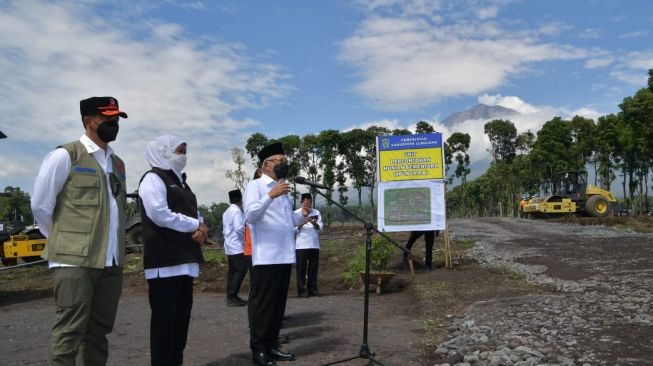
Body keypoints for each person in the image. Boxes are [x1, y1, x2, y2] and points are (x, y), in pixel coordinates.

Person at [31, 96, 128, 365]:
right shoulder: (65, 155)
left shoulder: (118, 164)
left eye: (117, 119)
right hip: (74, 262)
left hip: (110, 262)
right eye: (108, 118)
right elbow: (41, 205)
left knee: (99, 333)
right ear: (89, 121)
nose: (114, 123)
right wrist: (65, 243)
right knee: (70, 332)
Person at [138, 135, 208, 366]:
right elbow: (159, 214)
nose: (183, 155)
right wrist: (194, 225)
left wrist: (201, 226)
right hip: (165, 263)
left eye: (185, 150)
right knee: (164, 326)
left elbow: (195, 214)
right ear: (163, 152)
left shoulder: (181, 183)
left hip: (184, 262)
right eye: (179, 150)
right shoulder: (153, 178)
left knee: (180, 325)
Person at [244, 142, 304, 366]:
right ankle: (259, 350)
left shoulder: (283, 187)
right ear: (265, 165)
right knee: (264, 306)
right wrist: (270, 195)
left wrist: (302, 215)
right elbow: (250, 216)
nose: (282, 164)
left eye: (284, 161)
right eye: (277, 161)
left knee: (278, 306)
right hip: (266, 257)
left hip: (285, 255)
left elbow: (286, 222)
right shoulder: (257, 186)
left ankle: (272, 346)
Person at [223, 189, 249, 307]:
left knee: (233, 272)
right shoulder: (237, 211)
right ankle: (232, 296)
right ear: (240, 199)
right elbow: (239, 228)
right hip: (238, 246)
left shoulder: (227, 211)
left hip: (230, 246)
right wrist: (246, 240)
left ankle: (231, 296)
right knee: (241, 270)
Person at [294, 193, 323, 298]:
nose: (308, 204)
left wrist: (314, 223)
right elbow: (292, 230)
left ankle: (312, 289)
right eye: (306, 202)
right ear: (301, 202)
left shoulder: (316, 212)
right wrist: (303, 222)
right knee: (301, 268)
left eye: (310, 202)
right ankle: (301, 290)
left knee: (313, 268)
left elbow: (320, 228)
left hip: (314, 244)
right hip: (301, 245)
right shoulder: (296, 213)